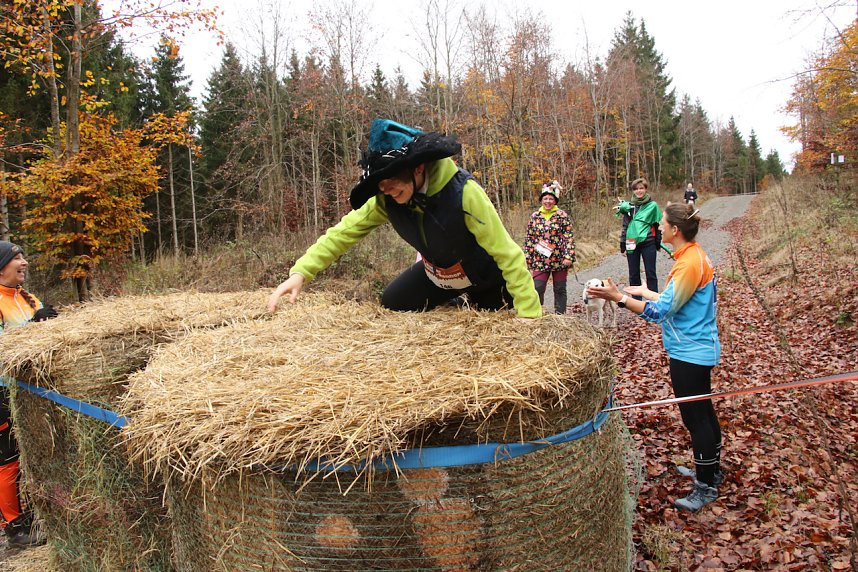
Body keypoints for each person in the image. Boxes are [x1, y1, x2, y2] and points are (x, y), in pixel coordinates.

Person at [267, 119, 542, 319]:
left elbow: (508, 254)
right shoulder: (386, 200)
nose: (385, 190)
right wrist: (301, 272)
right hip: (440, 276)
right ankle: (454, 303)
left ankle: (478, 300)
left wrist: (530, 314)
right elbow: (343, 233)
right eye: (379, 185)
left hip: (484, 277)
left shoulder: (465, 193)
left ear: (417, 167)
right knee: (392, 302)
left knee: (495, 318)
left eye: (390, 181)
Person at [587, 203, 722, 512]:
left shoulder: (689, 263)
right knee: (704, 413)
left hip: (691, 350)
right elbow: (677, 301)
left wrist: (619, 299)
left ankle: (705, 486)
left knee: (696, 417)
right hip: (696, 346)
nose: (658, 227)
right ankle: (711, 471)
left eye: (662, 223)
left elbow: (662, 313)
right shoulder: (691, 256)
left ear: (675, 230)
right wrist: (645, 292)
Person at [0, 241, 56, 546]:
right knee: (8, 458)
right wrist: (33, 328)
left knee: (36, 452)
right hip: (3, 391)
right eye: (16, 258)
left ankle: (37, 511)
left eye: (24, 256)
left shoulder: (28, 297)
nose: (24, 262)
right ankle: (14, 526)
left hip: (33, 390)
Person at [523, 181, 575, 315]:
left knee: (560, 289)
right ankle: (537, 314)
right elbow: (529, 238)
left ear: (555, 201)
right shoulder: (535, 216)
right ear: (541, 200)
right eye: (545, 198)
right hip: (540, 260)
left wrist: (569, 256)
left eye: (551, 198)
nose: (548, 201)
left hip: (559, 259)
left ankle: (560, 315)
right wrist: (528, 258)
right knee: (537, 288)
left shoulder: (562, 216)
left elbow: (569, 237)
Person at [615, 177, 662, 298]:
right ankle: (636, 303)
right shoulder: (629, 207)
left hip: (648, 241)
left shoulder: (652, 206)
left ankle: (654, 301)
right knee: (633, 274)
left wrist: (657, 242)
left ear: (646, 189)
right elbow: (626, 226)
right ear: (633, 191)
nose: (639, 191)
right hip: (632, 242)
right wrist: (622, 245)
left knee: (651, 272)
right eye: (636, 189)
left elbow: (657, 224)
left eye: (641, 188)